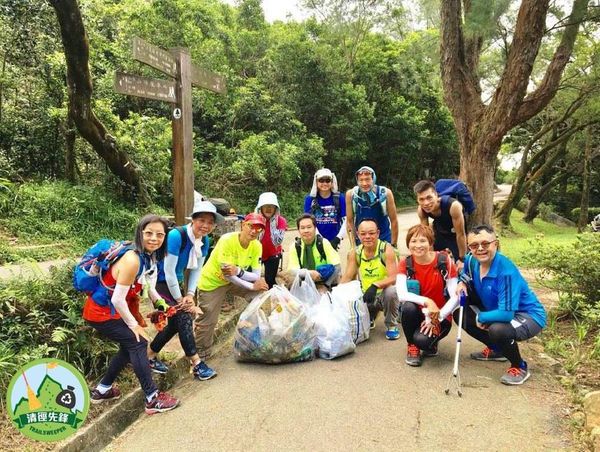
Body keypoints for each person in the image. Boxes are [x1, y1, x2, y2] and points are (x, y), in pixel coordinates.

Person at [83, 214, 179, 415]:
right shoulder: (132, 259)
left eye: (159, 235)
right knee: (138, 342)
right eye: (149, 233)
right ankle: (152, 399)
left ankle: (102, 390)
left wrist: (161, 304)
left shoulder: (148, 256)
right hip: (101, 313)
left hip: (112, 310)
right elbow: (118, 299)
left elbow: (148, 284)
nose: (154, 238)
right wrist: (133, 324)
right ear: (140, 233)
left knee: (129, 347)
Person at [456, 224, 547, 385]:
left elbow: (506, 314)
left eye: (485, 244)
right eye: (474, 245)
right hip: (499, 310)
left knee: (498, 329)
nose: (480, 249)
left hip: (528, 316)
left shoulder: (506, 271)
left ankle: (519, 366)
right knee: (460, 314)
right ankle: (498, 350)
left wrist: (481, 317)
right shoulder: (471, 261)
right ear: (469, 248)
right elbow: (464, 274)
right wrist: (461, 282)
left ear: (495, 244)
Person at [147, 201, 223, 381]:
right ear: (193, 220)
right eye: (201, 220)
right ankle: (196, 364)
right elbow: (169, 271)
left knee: (174, 323)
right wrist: (182, 299)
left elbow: (197, 269)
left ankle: (149, 355)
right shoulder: (176, 236)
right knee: (183, 317)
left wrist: (189, 294)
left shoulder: (204, 240)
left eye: (210, 222)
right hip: (158, 281)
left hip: (176, 282)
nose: (205, 226)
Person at [196, 213, 269, 366]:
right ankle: (201, 355)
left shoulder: (257, 245)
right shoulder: (227, 240)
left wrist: (241, 273)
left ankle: (258, 336)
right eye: (251, 226)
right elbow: (227, 274)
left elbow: (255, 275)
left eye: (259, 228)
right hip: (213, 282)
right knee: (208, 320)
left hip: (236, 279)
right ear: (243, 225)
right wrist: (249, 283)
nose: (254, 231)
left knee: (261, 294)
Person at [396, 224, 459, 367]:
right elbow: (401, 294)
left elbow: (455, 296)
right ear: (408, 244)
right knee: (408, 307)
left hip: (441, 315)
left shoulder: (444, 261)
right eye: (413, 241)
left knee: (424, 342)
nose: (418, 245)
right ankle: (412, 346)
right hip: (417, 313)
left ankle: (429, 343)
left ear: (431, 243)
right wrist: (428, 301)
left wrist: (439, 316)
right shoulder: (405, 264)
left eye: (423, 241)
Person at [340, 218, 400, 339]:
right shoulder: (355, 253)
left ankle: (391, 325)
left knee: (391, 291)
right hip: (367, 295)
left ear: (378, 233)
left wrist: (376, 285)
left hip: (383, 293)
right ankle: (370, 317)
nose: (367, 237)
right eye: (363, 234)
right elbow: (347, 277)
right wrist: (335, 295)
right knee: (350, 293)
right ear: (357, 234)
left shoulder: (386, 249)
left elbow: (394, 277)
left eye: (371, 233)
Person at [414, 180, 467, 266]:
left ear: (436, 195)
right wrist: (430, 258)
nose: (426, 203)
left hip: (454, 234)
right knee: (434, 262)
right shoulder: (421, 210)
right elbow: (426, 235)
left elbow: (460, 234)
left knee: (460, 265)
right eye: (421, 199)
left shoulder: (453, 206)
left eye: (429, 198)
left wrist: (462, 259)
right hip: (439, 232)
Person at [346, 166, 398, 246]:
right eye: (361, 180)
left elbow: (394, 220)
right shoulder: (351, 195)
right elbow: (350, 222)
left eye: (367, 179)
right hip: (362, 240)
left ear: (373, 179)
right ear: (357, 181)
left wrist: (393, 244)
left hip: (384, 239)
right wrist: (353, 246)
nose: (364, 183)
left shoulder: (385, 194)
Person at [287, 213, 341, 290]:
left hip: (325, 282)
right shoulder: (295, 247)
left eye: (309, 227)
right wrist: (308, 273)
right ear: (298, 230)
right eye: (302, 228)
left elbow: (337, 266)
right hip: (304, 283)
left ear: (315, 228)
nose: (306, 231)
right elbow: (292, 271)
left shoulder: (323, 243)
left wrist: (325, 286)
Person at [304, 168, 346, 250]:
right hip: (315, 241)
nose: (324, 183)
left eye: (327, 180)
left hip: (333, 241)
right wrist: (318, 238)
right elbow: (308, 221)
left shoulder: (339, 198)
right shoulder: (310, 199)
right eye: (321, 180)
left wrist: (338, 238)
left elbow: (346, 220)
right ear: (316, 182)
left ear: (332, 181)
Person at [256, 192, 287, 288]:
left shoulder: (281, 221)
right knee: (254, 279)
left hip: (273, 254)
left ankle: (272, 298)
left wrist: (273, 224)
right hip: (256, 254)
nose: (268, 208)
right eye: (265, 206)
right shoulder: (255, 220)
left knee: (270, 280)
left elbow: (278, 241)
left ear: (275, 208)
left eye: (271, 206)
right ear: (260, 207)